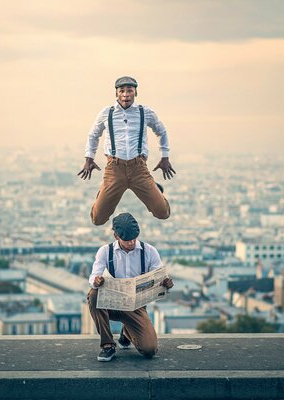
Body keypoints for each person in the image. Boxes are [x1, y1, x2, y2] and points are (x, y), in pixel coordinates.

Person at [78, 76, 176, 226]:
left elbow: (161, 131)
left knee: (162, 213)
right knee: (98, 219)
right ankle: (103, 192)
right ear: (116, 93)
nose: (125, 94)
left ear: (135, 93)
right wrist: (88, 158)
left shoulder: (145, 112)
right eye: (121, 91)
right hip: (114, 168)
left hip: (139, 168)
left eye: (129, 90)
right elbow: (93, 135)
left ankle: (155, 189)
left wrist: (165, 157)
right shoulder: (106, 113)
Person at [87, 212, 173, 362]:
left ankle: (126, 332)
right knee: (93, 294)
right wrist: (97, 281)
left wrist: (166, 283)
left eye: (134, 239)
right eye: (127, 240)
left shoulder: (149, 251)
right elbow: (93, 276)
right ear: (116, 237)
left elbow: (159, 276)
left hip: (136, 306)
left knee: (149, 350)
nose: (132, 243)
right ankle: (107, 345)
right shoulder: (105, 252)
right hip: (111, 303)